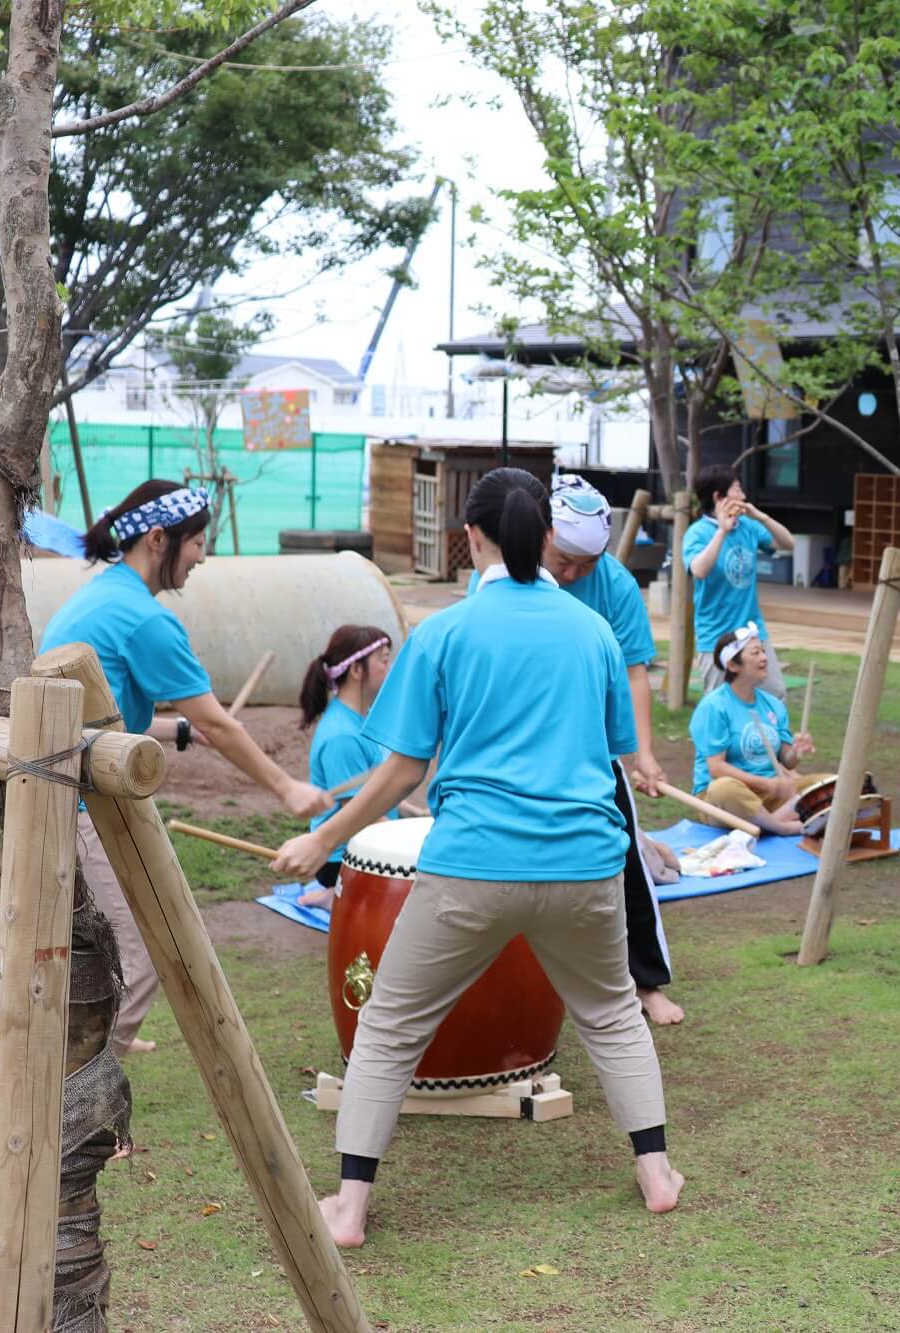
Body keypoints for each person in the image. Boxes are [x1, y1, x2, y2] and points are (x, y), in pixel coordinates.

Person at [270, 467, 681, 1245]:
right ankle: (657, 1174)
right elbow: (615, 753)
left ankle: (350, 1208)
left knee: (390, 1027)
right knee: (613, 1016)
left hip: (473, 866)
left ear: (470, 537)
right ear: (545, 533)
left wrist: (322, 838)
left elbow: (402, 771)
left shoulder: (445, 633)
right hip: (585, 864)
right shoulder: (592, 632)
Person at [40, 480, 331, 1057]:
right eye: (197, 542)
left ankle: (98, 1043)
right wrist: (287, 789)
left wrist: (177, 730)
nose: (202, 556)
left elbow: (97, 720)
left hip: (64, 791)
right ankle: (89, 1075)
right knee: (144, 951)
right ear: (158, 539)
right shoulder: (144, 620)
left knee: (112, 941)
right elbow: (220, 725)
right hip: (84, 804)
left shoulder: (105, 596)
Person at [545, 479, 684, 1025]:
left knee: (625, 859)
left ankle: (645, 981)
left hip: (593, 747)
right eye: (563, 560)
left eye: (586, 564)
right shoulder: (512, 574)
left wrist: (642, 753)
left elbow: (634, 673)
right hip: (526, 745)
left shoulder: (616, 585)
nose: (572, 573)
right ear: (544, 535)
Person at [295, 625, 423, 910]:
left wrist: (418, 816)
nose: (390, 668)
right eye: (384, 660)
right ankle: (337, 892)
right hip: (342, 857)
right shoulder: (342, 736)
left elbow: (380, 791)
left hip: (370, 834)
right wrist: (412, 841)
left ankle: (338, 896)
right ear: (356, 670)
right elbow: (358, 813)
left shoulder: (364, 719)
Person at [689, 622, 826, 836]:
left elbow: (787, 761)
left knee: (830, 784)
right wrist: (768, 784)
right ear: (733, 666)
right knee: (723, 788)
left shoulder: (773, 705)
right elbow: (716, 768)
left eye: (763, 651)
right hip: (723, 798)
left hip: (771, 796)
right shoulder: (714, 706)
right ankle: (780, 827)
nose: (764, 657)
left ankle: (766, 822)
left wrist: (796, 750)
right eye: (755, 653)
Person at [684, 465, 795, 699]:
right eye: (737, 490)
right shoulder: (698, 533)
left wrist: (760, 516)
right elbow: (699, 571)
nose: (743, 496)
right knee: (721, 704)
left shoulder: (748, 526)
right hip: (716, 637)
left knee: (775, 695)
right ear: (718, 497)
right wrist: (722, 532)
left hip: (753, 631)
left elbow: (788, 543)